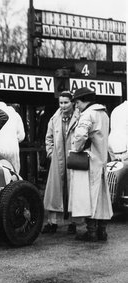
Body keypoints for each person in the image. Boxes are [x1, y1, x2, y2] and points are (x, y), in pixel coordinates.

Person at [68, 87, 113, 242]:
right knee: (102, 197)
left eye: (77, 102)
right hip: (101, 160)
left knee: (88, 197)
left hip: (89, 161)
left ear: (84, 101)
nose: (77, 106)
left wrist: (76, 148)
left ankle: (91, 232)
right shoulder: (104, 114)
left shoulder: (87, 114)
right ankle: (102, 231)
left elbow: (80, 136)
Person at [41, 91, 80, 234]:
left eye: (66, 102)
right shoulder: (54, 119)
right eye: (61, 103)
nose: (63, 105)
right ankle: (53, 223)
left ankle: (73, 223)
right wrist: (51, 154)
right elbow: (48, 138)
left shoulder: (79, 117)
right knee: (55, 192)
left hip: (74, 160)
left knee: (73, 190)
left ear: (73, 102)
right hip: (57, 161)